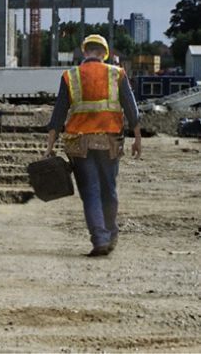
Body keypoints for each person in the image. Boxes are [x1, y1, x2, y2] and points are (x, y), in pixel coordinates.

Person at [46, 34, 142, 257]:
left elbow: (58, 114)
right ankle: (111, 234)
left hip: (80, 144)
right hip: (110, 142)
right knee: (109, 189)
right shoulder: (116, 73)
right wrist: (137, 138)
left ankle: (100, 239)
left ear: (85, 51)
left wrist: (49, 146)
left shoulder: (71, 76)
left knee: (90, 191)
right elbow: (130, 107)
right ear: (104, 53)